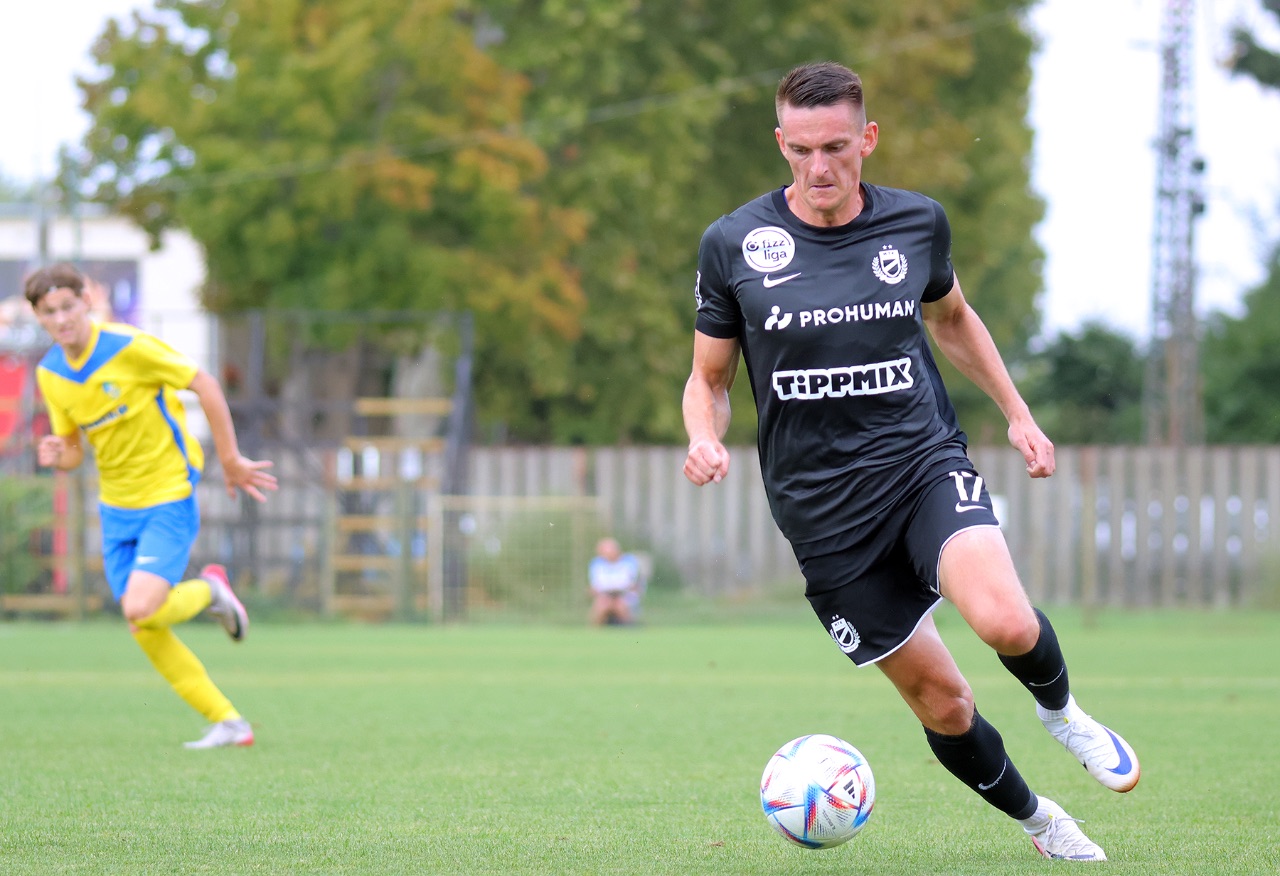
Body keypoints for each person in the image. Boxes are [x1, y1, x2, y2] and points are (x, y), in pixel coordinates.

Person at [681, 62, 1138, 862]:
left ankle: (1063, 713)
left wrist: (1018, 413)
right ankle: (1042, 823)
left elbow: (952, 318)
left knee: (1004, 620)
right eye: (801, 150)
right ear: (781, 143)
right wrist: (703, 436)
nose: (819, 167)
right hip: (822, 515)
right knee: (946, 703)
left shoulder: (917, 223)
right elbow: (709, 380)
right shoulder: (733, 244)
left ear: (867, 139)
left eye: (835, 147)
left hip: (919, 464)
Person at [26, 262, 277, 749]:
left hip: (167, 492)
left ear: (87, 301)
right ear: (38, 317)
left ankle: (209, 591)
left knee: (141, 606)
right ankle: (229, 722)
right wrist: (57, 454)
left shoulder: (129, 347)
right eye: (49, 312)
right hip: (115, 506)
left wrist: (230, 459)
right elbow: (73, 450)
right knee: (143, 623)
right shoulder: (50, 374)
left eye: (68, 306)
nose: (61, 319)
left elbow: (204, 383)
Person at [587, 537, 642, 626]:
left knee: (620, 605)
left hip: (625, 595)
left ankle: (629, 627)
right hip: (605, 596)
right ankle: (596, 630)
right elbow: (595, 587)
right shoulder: (597, 563)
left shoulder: (629, 562)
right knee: (602, 605)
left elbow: (634, 584)